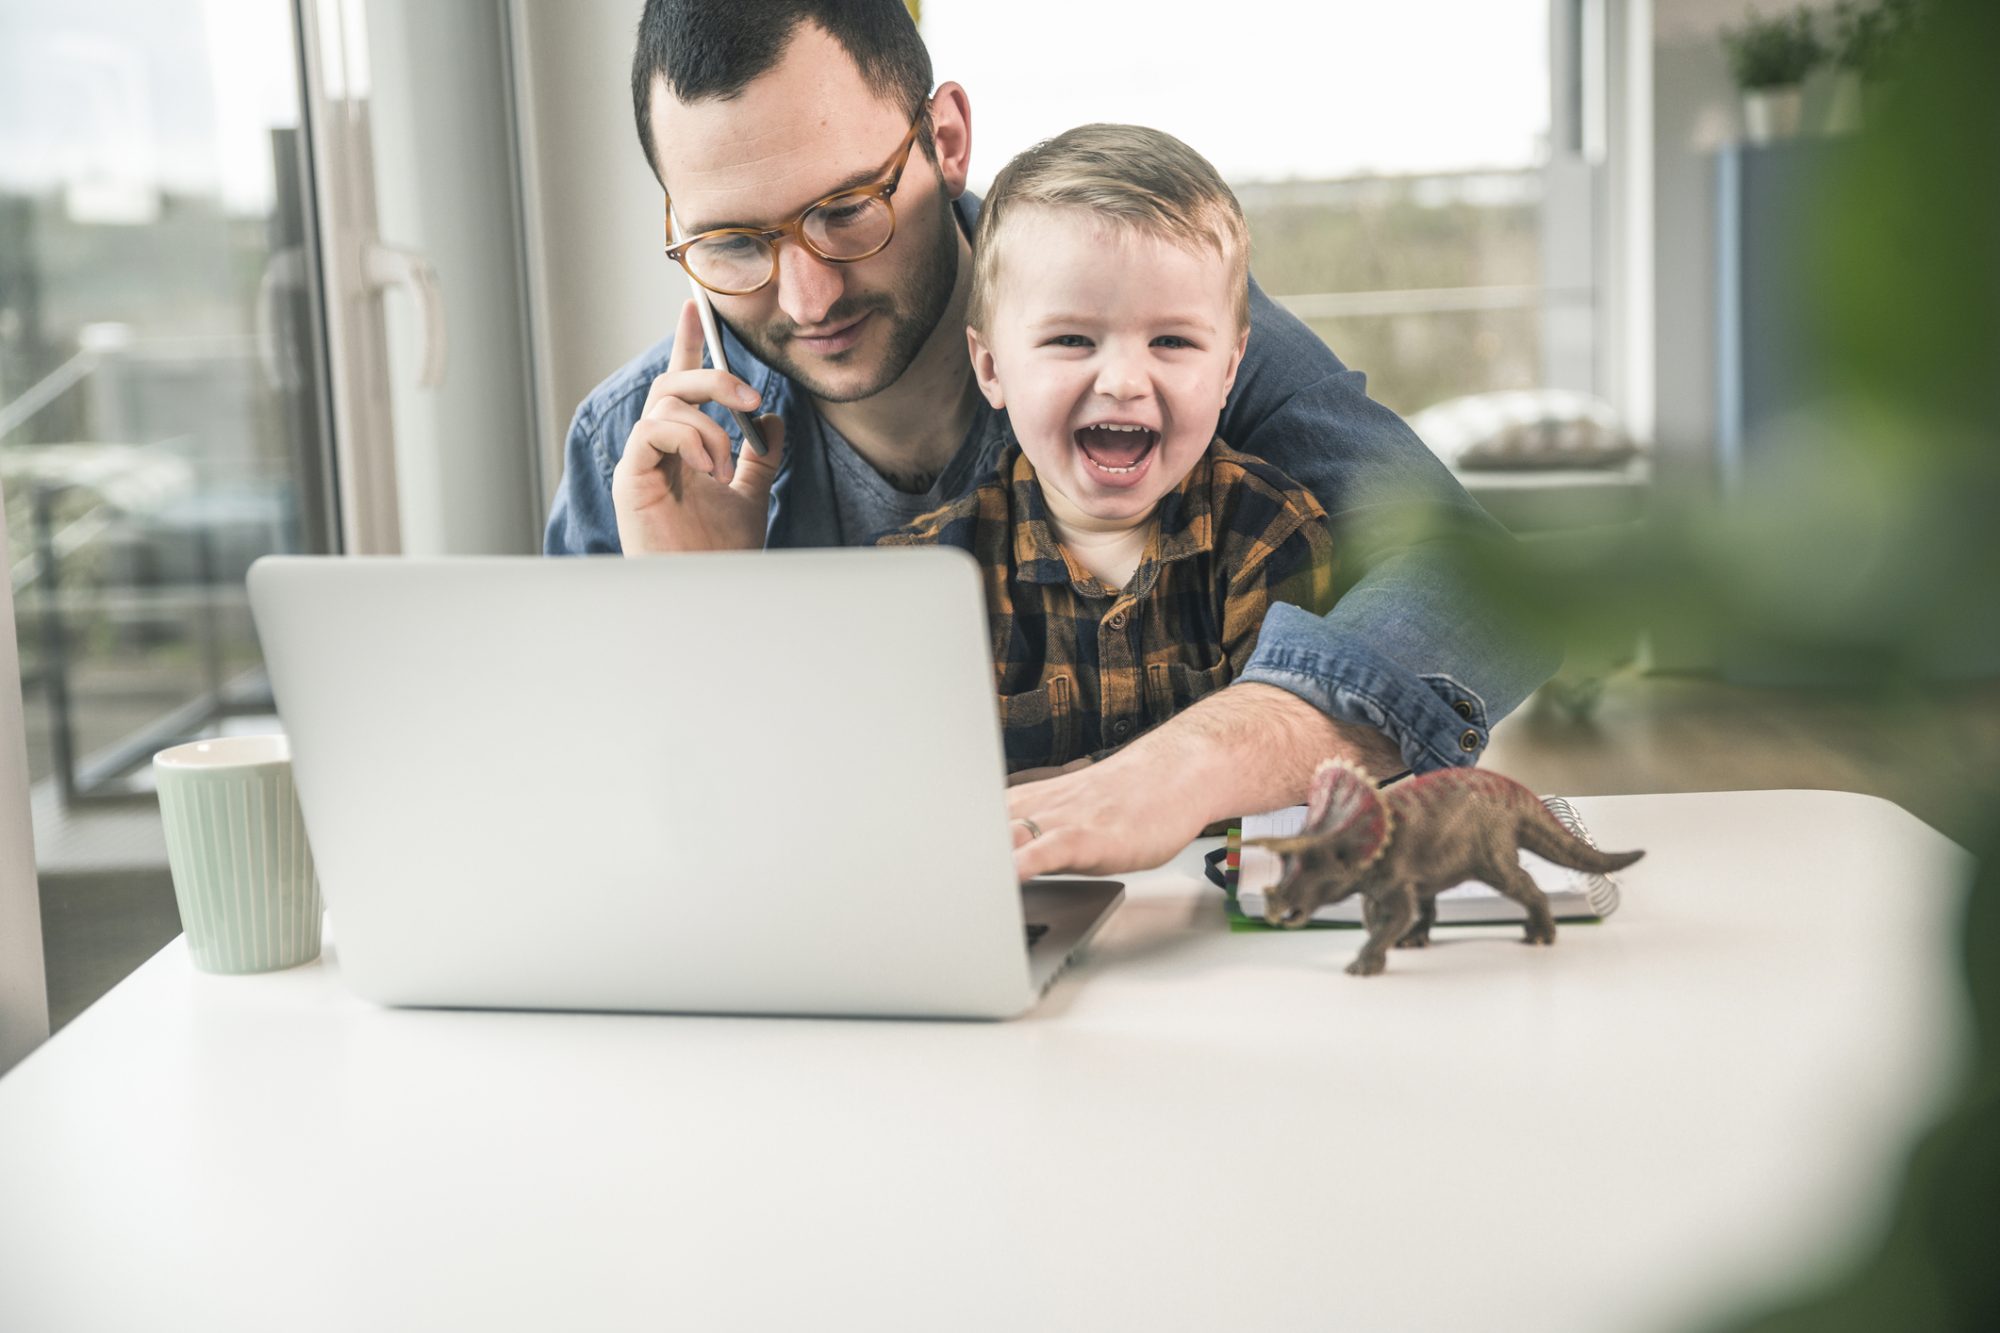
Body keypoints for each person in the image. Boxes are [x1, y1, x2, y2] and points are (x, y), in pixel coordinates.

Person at [543, 0, 1560, 879]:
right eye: (732, 242)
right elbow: (603, 838)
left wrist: (1177, 771)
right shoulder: (633, 457)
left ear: (943, 140)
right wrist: (698, 621)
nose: (804, 296)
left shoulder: (1143, 323)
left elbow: (1473, 584)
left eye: (845, 211)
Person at [876, 124, 1336, 780]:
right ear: (991, 367)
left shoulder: (1268, 533)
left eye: (1172, 341)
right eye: (1071, 339)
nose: (1122, 381)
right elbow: (905, 800)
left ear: (1230, 369)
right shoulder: (926, 577)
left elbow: (1292, 769)